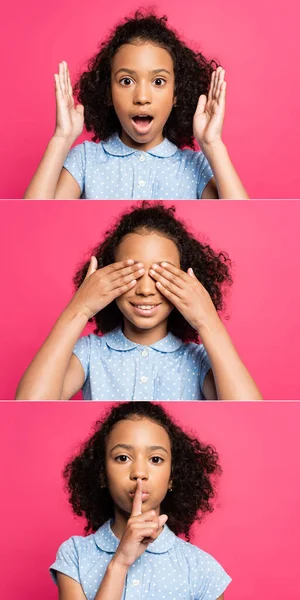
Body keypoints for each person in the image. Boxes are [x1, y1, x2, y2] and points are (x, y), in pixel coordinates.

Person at [16, 202, 262, 401]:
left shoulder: (199, 359)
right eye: (132, 274)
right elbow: (30, 402)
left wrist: (207, 320)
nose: (145, 290)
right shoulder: (90, 353)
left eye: (160, 275)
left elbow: (249, 411)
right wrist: (80, 308)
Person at [24, 11, 248, 200]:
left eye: (158, 82)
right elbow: (32, 215)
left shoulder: (196, 166)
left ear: (176, 94)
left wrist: (213, 144)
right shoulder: (85, 160)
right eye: (126, 81)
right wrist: (61, 138)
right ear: (108, 93)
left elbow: (241, 220)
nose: (142, 97)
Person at [50, 401, 231, 599]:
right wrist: (120, 563)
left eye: (155, 459)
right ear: (102, 474)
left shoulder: (202, 569)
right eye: (122, 458)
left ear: (172, 477)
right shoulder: (75, 556)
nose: (139, 473)